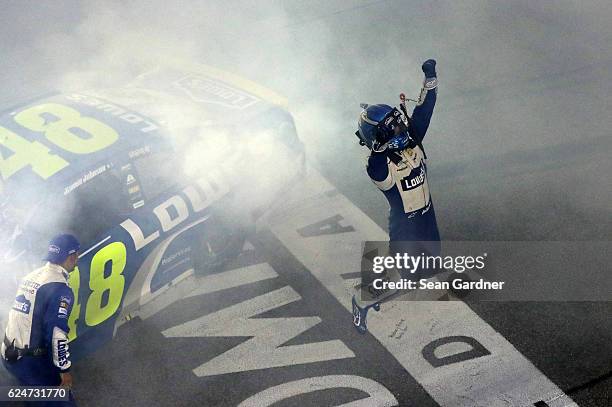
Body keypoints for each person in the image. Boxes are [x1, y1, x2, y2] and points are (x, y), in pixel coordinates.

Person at [352, 59, 441, 333]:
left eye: (398, 124)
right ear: (377, 138)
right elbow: (375, 169)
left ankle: (380, 282)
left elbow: (424, 111)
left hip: (427, 217)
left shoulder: (410, 139)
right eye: (392, 129)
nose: (401, 130)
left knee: (429, 267)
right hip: (406, 227)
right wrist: (379, 148)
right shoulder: (381, 167)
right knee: (405, 277)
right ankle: (362, 298)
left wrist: (430, 79)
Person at [2, 234, 79, 406]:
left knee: (34, 397)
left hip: (8, 352)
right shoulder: (60, 290)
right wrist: (64, 370)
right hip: (29, 362)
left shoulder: (32, 275)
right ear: (72, 257)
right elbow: (56, 334)